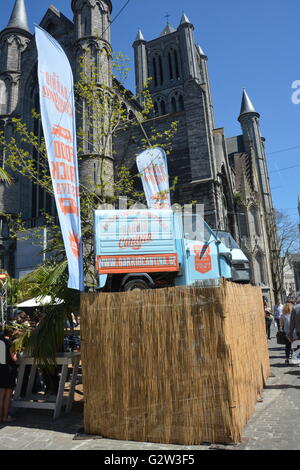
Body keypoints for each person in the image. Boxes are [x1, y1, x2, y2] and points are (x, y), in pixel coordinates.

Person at [0, 328, 18, 423]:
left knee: (1, 394)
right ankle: (5, 416)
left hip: (1, 369)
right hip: (9, 369)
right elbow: (14, 358)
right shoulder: (10, 343)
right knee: (8, 395)